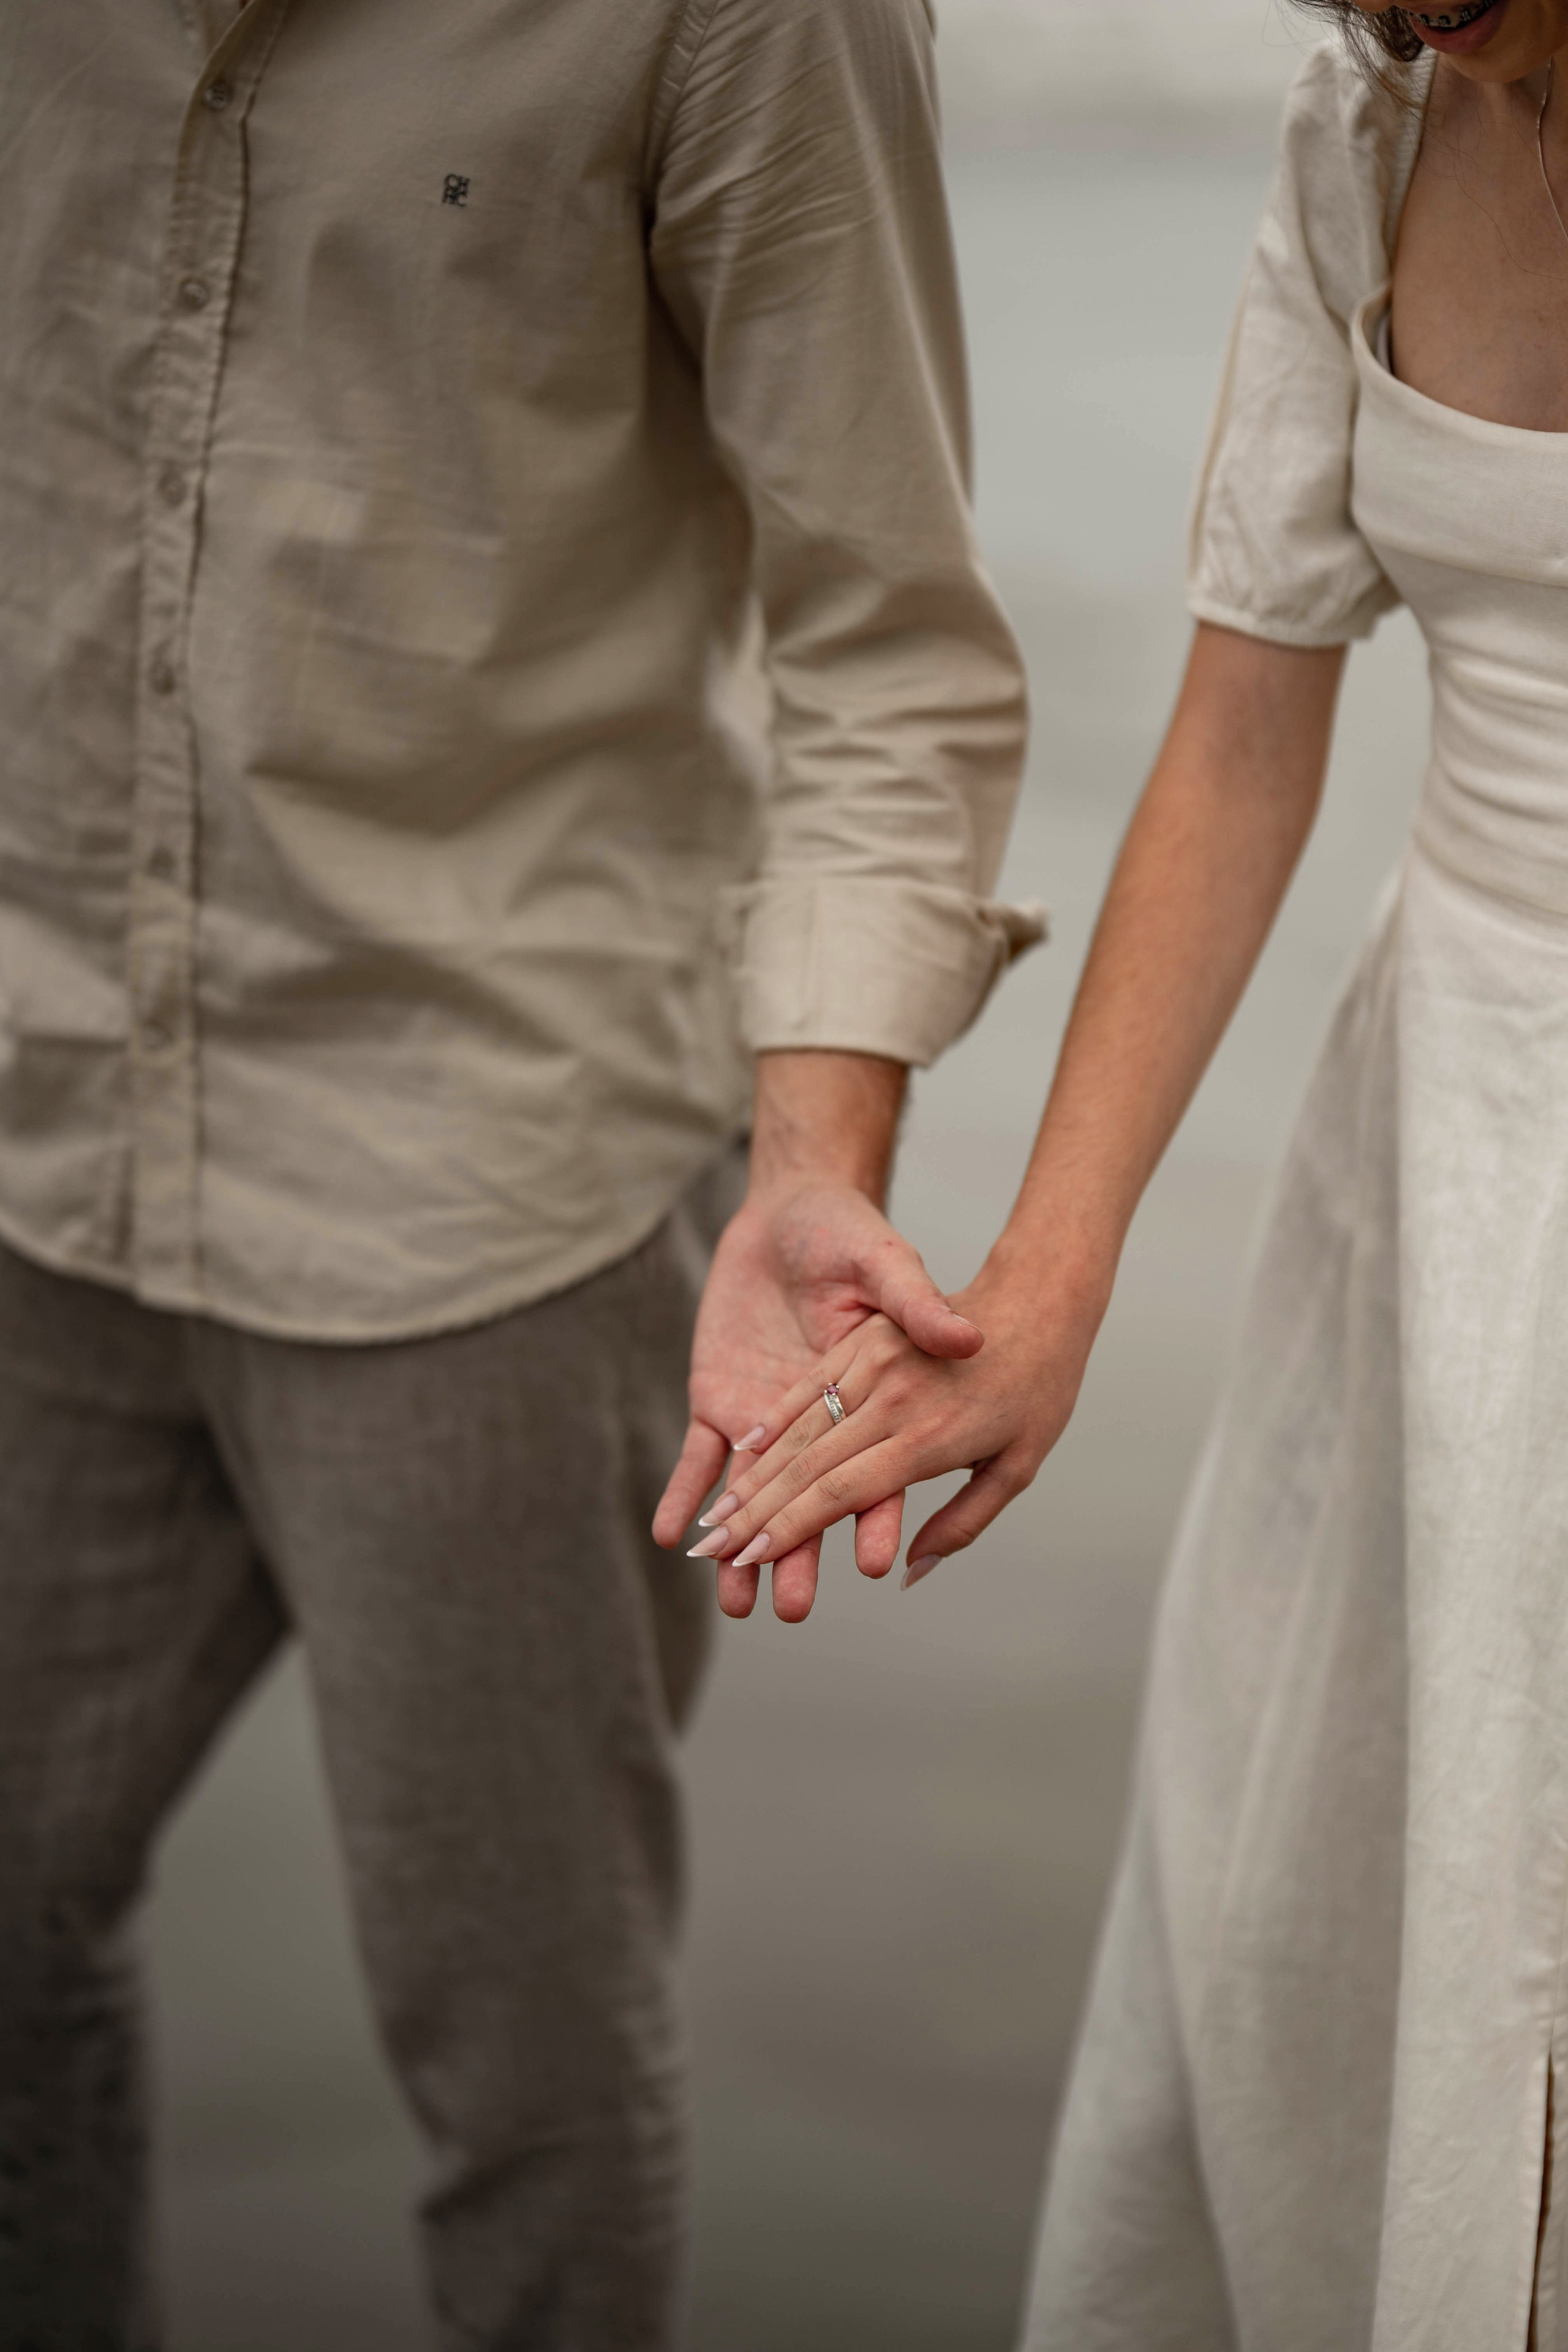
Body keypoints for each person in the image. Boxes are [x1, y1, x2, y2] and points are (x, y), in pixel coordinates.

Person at [0, 3, 1037, 2345]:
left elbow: (888, 643)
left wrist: (813, 1154)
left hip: (491, 1176)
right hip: (35, 1127)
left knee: (528, 2079)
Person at [692, 0, 1568, 2338]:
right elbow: (1241, 734)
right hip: (1451, 1163)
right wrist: (1041, 1293)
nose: (1385, 22)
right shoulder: (1363, 129)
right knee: (1339, 1934)